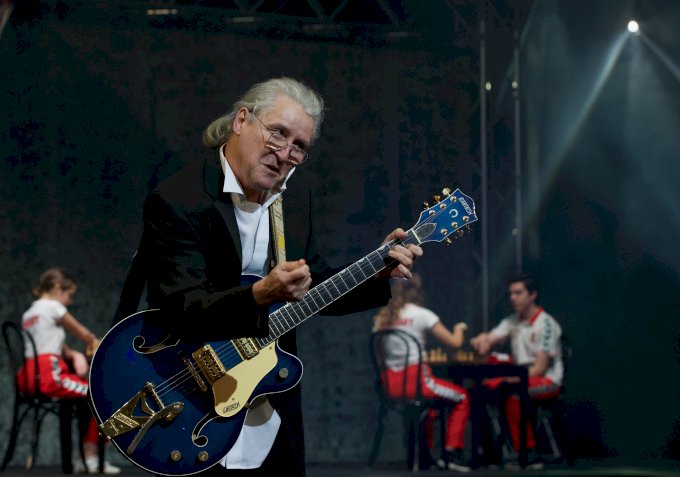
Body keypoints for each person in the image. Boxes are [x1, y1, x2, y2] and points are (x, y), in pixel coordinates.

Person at [116, 77, 423, 477]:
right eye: (277, 133)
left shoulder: (294, 203)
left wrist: (376, 274)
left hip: (270, 400)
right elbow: (181, 306)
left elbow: (312, 285)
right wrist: (260, 295)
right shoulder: (179, 198)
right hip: (189, 392)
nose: (284, 154)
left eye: (299, 146)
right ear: (241, 120)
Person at [18, 268, 121, 474]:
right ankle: (90, 457)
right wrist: (95, 342)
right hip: (49, 376)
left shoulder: (30, 313)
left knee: (89, 396)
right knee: (101, 396)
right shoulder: (53, 307)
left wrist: (73, 354)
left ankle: (86, 456)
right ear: (58, 287)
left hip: (28, 377)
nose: (69, 301)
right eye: (69, 295)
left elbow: (48, 342)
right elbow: (81, 332)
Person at [372, 273, 471, 472]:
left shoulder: (382, 318)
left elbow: (381, 359)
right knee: (462, 397)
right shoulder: (422, 314)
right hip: (417, 384)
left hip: (390, 387)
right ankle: (452, 453)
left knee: (430, 409)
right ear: (416, 291)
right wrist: (460, 327)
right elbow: (455, 343)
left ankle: (426, 456)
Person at [469, 272, 563, 470]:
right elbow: (491, 337)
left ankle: (528, 453)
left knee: (513, 395)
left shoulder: (546, 324)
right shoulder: (512, 321)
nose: (513, 298)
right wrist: (482, 340)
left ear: (532, 295)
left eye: (518, 293)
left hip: (547, 381)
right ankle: (489, 453)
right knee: (479, 390)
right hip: (519, 379)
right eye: (511, 294)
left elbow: (539, 369)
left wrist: (510, 379)